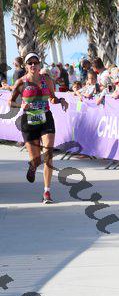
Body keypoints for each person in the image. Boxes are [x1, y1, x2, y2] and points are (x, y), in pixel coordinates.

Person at [8, 52, 68, 203]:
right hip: (29, 121)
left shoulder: (46, 80)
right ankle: (33, 166)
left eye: (35, 62)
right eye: (30, 63)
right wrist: (21, 105)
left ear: (40, 64)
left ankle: (47, 192)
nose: (33, 65)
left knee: (48, 155)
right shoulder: (21, 82)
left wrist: (60, 100)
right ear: (26, 66)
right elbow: (10, 102)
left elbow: (52, 98)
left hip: (46, 118)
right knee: (36, 159)